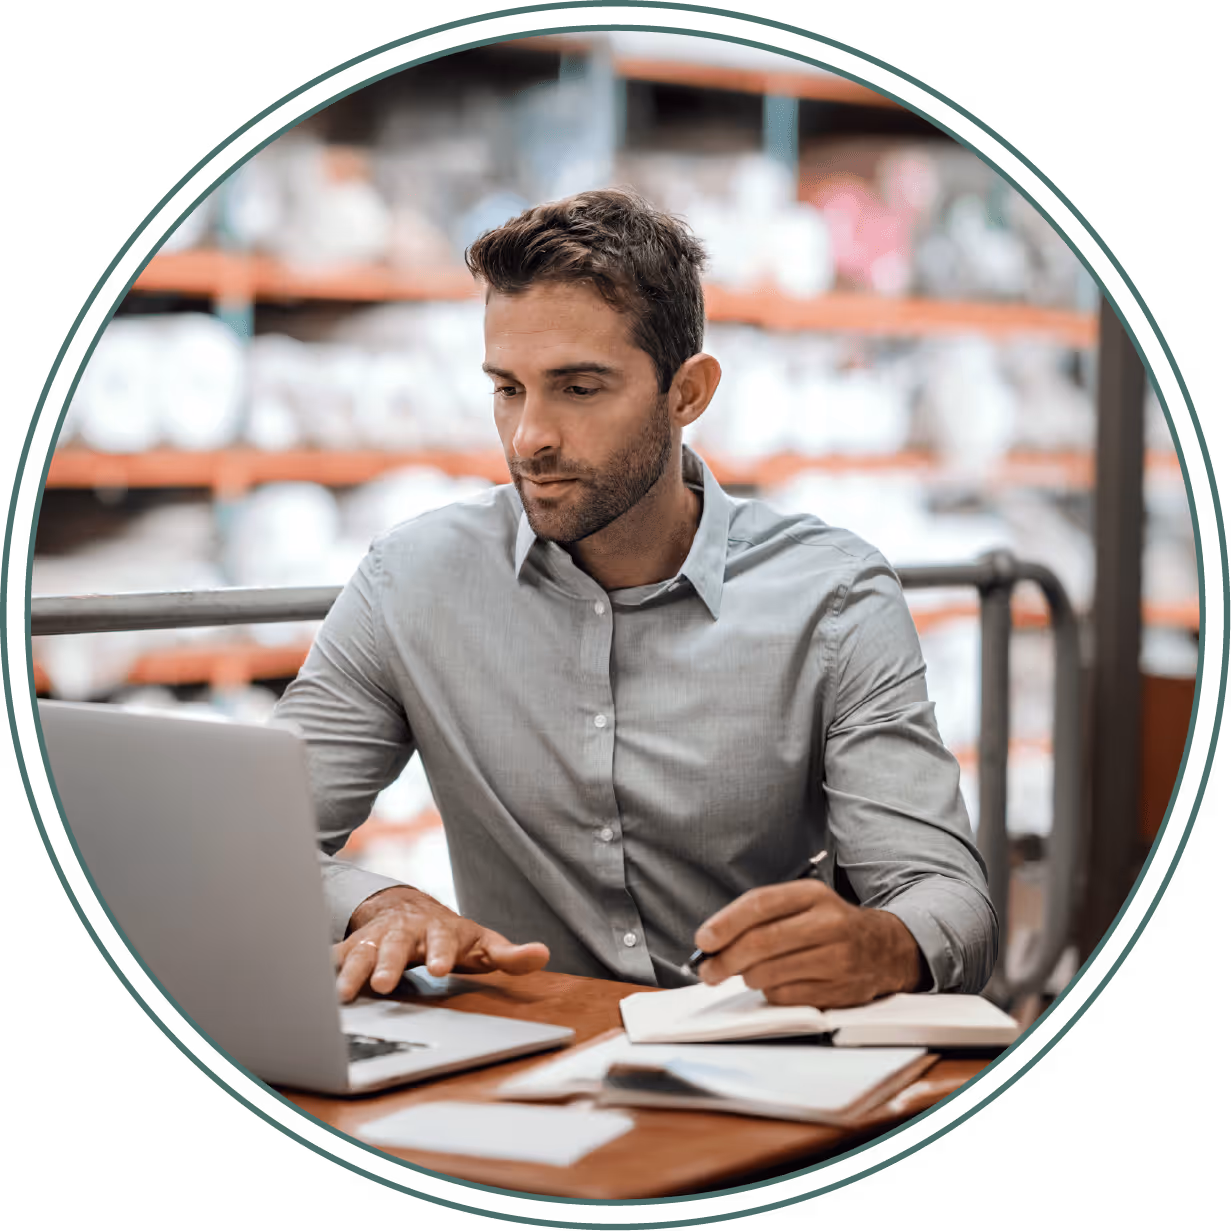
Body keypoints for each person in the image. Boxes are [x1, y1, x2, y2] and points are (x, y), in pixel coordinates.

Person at [272, 188, 997, 1008]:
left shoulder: (831, 600)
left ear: (686, 392)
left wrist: (882, 943)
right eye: (507, 388)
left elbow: (949, 900)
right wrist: (375, 901)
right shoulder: (411, 582)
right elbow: (253, 842)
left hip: (765, 1064)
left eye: (578, 388)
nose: (527, 437)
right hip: (521, 1067)